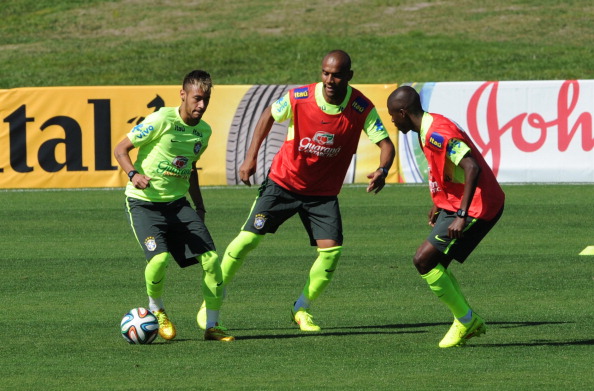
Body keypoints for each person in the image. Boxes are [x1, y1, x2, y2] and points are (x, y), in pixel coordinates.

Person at [197, 50, 396, 332]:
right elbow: (268, 114)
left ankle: (301, 308)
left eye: (336, 75)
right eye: (325, 73)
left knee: (332, 253)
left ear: (349, 76)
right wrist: (251, 157)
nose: (329, 80)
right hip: (283, 183)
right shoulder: (300, 97)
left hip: (322, 194)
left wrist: (383, 169)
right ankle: (212, 301)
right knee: (246, 241)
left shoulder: (361, 107)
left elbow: (386, 145)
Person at [113, 70, 234, 342]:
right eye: (197, 98)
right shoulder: (160, 119)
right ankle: (156, 310)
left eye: (206, 100)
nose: (201, 105)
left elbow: (191, 169)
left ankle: (213, 326)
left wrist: (200, 206)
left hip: (179, 206)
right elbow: (121, 149)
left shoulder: (204, 131)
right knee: (159, 259)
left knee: (212, 260)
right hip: (144, 204)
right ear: (183, 95)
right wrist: (134, 175)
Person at [386, 85, 505, 348]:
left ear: (403, 112)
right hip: (455, 203)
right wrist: (439, 200)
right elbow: (446, 169)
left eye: (393, 115)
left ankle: (466, 320)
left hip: (476, 207)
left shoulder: (437, 133)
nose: (392, 120)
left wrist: (460, 215)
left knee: (423, 260)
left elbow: (471, 167)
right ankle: (464, 319)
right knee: (432, 264)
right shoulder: (427, 128)